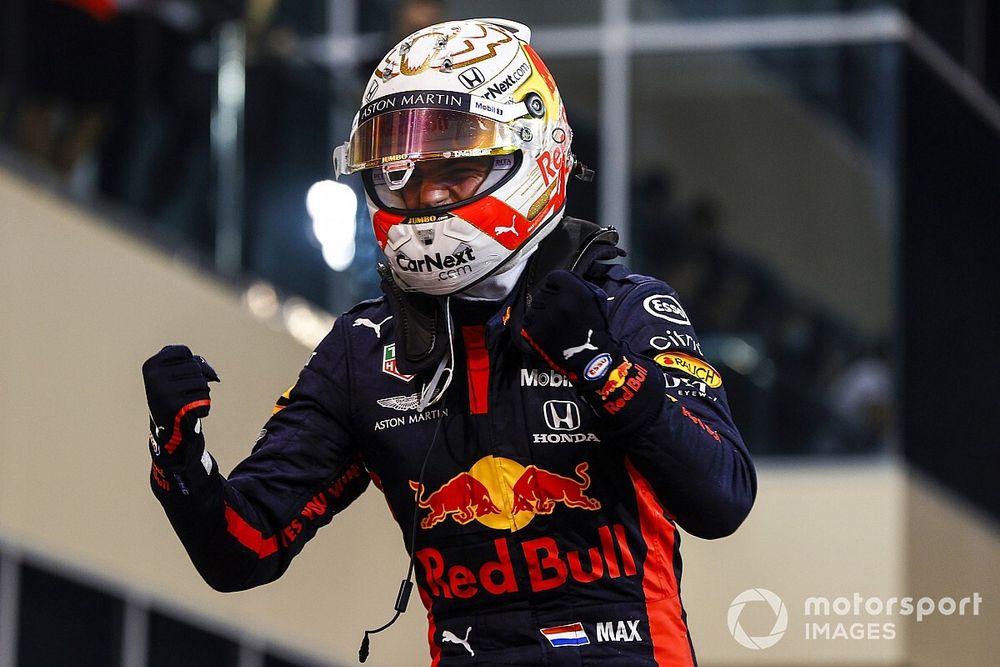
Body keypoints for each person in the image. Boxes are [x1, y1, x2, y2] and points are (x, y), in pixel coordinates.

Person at [142, 18, 756, 666]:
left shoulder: (625, 308)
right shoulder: (361, 350)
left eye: (453, 169)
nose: (425, 195)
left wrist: (600, 363)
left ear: (534, 153)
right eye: (402, 171)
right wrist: (179, 456)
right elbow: (243, 549)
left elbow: (723, 496)